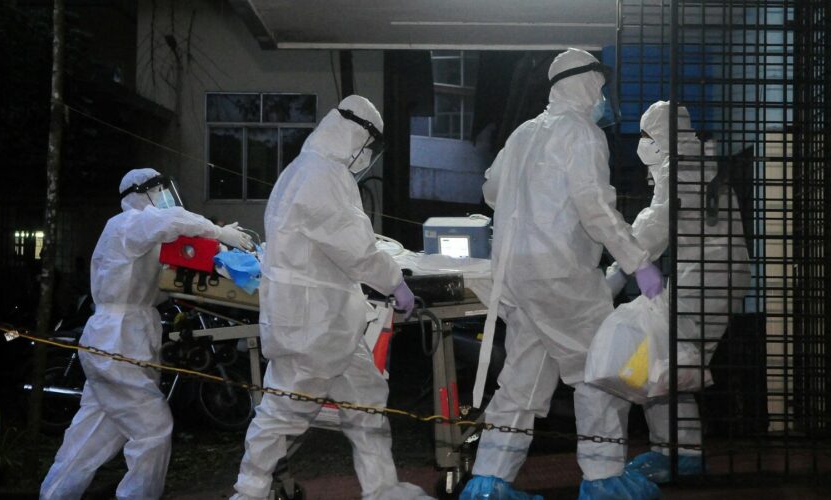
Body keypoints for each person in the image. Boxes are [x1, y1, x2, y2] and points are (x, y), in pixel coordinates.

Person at [460, 48, 663, 500]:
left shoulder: (523, 134)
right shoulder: (583, 134)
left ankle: (489, 482)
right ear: (586, 83)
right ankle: (604, 478)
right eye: (600, 86)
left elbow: (491, 190)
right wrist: (639, 263)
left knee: (521, 381)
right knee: (598, 375)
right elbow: (596, 210)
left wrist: (529, 197)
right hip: (563, 277)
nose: (604, 96)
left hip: (516, 277)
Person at [230, 95, 430, 500]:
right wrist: (396, 283)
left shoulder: (303, 170)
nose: (368, 158)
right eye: (369, 148)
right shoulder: (324, 174)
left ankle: (382, 488)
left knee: (367, 401)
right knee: (284, 412)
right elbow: (355, 248)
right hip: (313, 325)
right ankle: (249, 493)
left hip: (328, 323)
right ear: (357, 137)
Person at [40, 168, 252, 500]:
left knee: (89, 438)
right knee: (153, 430)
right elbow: (173, 221)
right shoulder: (127, 224)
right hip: (117, 341)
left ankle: (54, 494)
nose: (165, 198)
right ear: (142, 193)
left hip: (122, 339)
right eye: (159, 191)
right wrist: (217, 232)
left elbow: (159, 284)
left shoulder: (142, 237)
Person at [604, 101, 750, 483]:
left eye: (646, 135)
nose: (641, 143)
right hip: (709, 274)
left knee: (661, 363)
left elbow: (657, 223)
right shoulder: (694, 163)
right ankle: (671, 451)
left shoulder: (682, 168)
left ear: (661, 137)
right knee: (667, 363)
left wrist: (620, 268)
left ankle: (681, 454)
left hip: (707, 276)